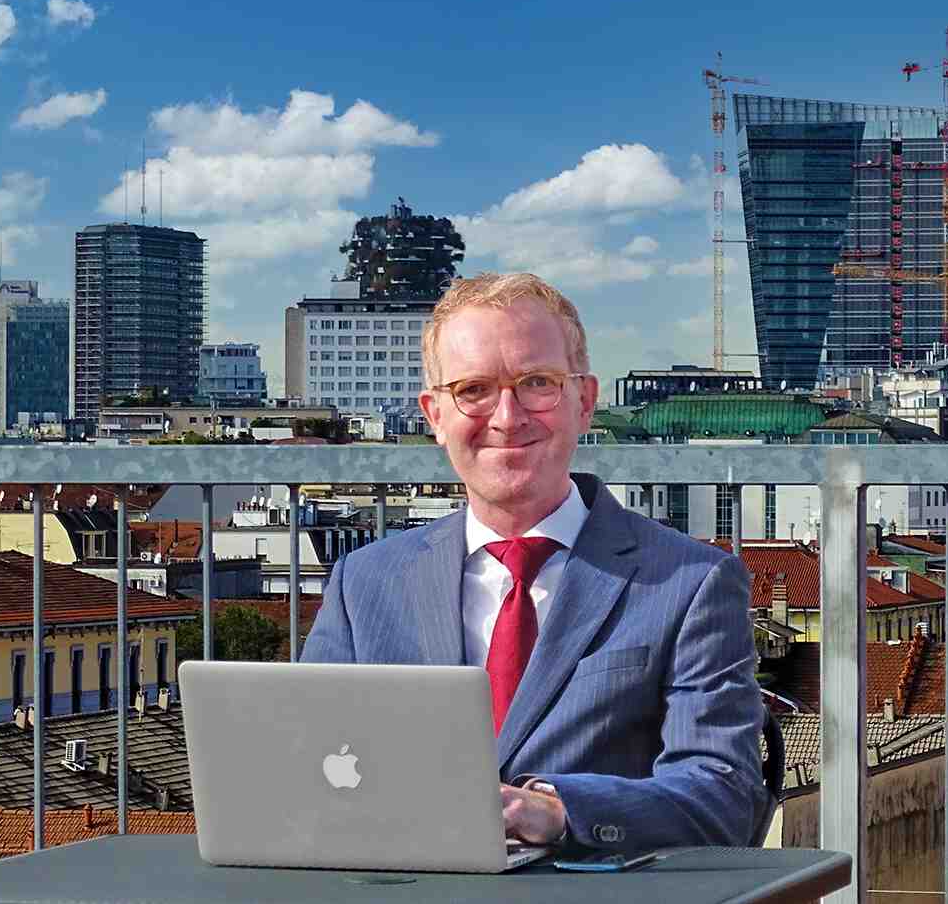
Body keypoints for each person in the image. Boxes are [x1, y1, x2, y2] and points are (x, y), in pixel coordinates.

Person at [299, 272, 767, 852]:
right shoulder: (364, 582)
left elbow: (725, 796)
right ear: (435, 415)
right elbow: (307, 773)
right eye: (473, 389)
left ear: (585, 401)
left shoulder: (690, 583)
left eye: (537, 383)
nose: (507, 416)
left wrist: (559, 810)